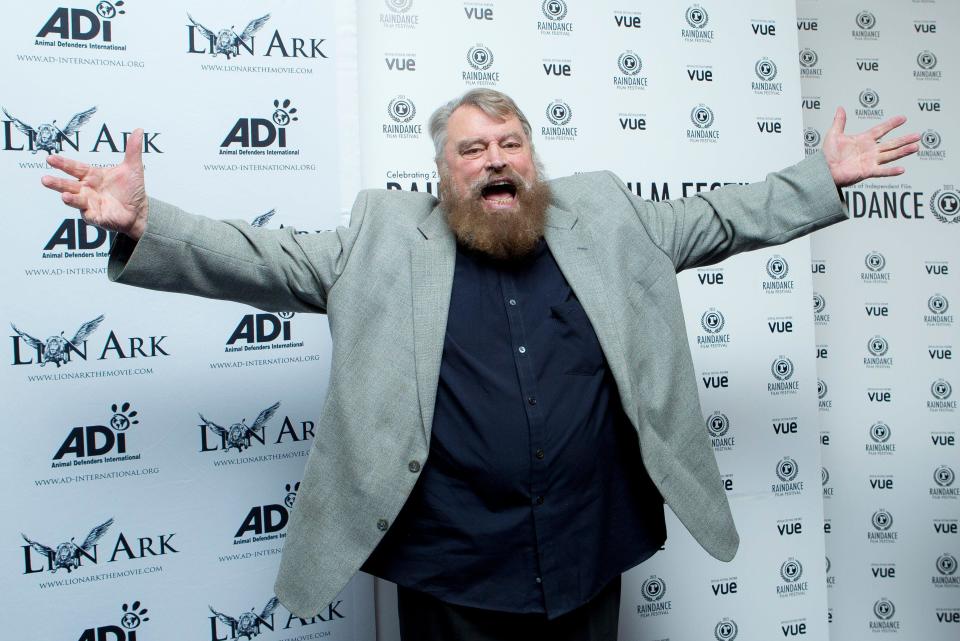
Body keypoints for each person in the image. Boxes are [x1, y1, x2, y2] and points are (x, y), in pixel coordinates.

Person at [41, 89, 918, 641]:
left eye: (510, 144)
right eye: (472, 148)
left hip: (586, 545)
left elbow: (724, 217)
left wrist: (821, 179)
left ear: (532, 159)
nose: (496, 159)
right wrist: (148, 226)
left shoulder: (608, 215)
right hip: (451, 561)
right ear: (441, 170)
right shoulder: (383, 236)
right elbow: (261, 259)